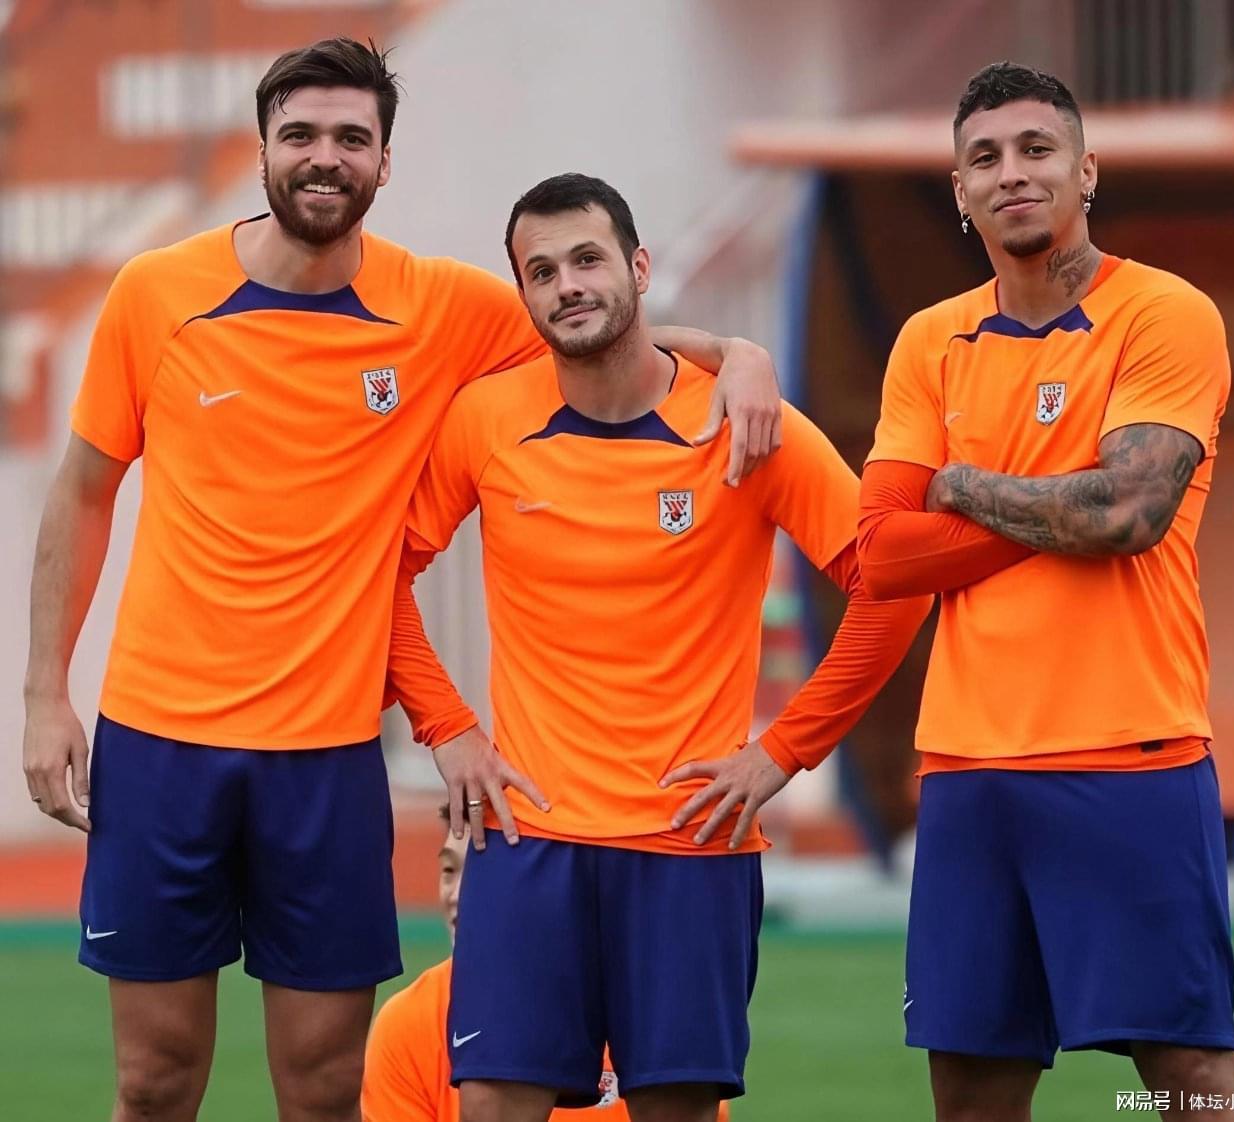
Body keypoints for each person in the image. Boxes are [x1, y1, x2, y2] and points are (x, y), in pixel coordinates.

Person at [20, 39, 781, 1122]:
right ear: (263, 150)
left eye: (351, 138)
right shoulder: (157, 292)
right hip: (160, 740)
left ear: (383, 161)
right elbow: (83, 491)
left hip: (328, 753)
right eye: (300, 134)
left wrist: (736, 353)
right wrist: (45, 693)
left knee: (325, 1088)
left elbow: (599, 333)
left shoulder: (442, 308)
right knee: (153, 1081)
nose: (323, 157)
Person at [385, 172, 933, 1122]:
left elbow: (896, 584)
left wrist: (783, 750)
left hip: (692, 845)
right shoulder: (487, 418)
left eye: (587, 259)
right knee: (491, 1105)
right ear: (524, 295)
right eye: (542, 272)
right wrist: (447, 727)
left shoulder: (744, 420)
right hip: (529, 838)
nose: (568, 285)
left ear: (639, 267)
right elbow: (380, 572)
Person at [855, 62, 1234, 1122]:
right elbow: (882, 555)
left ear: (1086, 170)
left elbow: (1127, 515)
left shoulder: (1163, 313)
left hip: (1128, 754)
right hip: (968, 768)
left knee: (1190, 1081)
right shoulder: (929, 340)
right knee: (972, 1091)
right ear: (958, 190)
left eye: (1036, 149)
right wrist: (1060, 500)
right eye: (984, 158)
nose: (1011, 173)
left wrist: (956, 485)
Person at [361, 809, 732, 1121]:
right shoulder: (410, 1023)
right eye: (449, 870)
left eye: (480, 871)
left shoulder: (651, 1011)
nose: (459, 895)